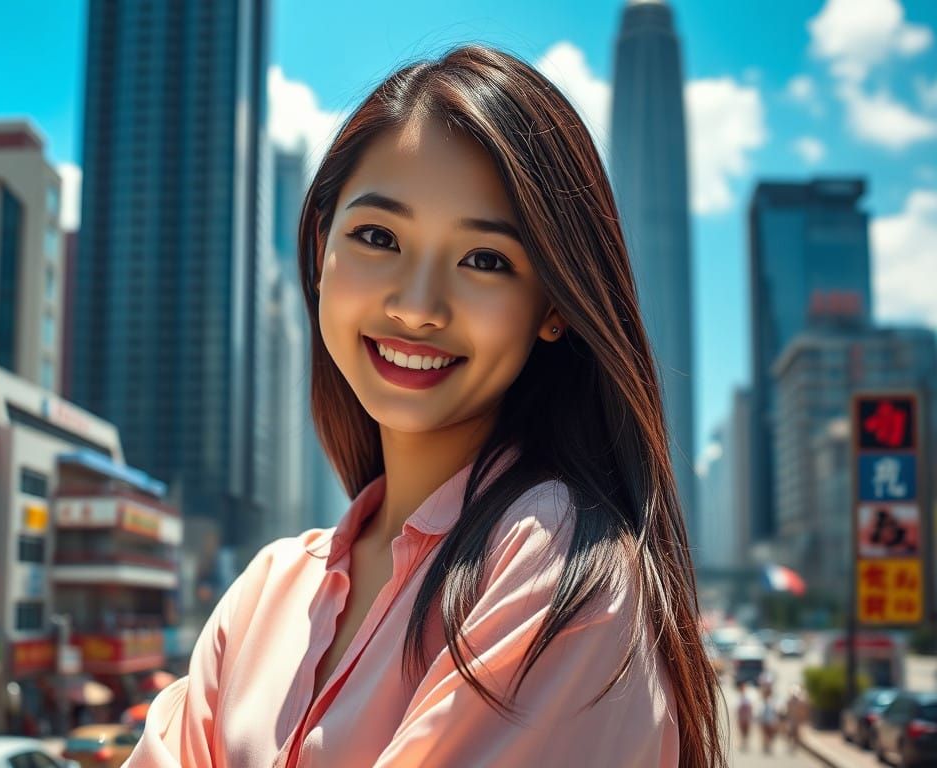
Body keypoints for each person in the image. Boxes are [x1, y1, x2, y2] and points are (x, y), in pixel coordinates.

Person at [124, 43, 722, 767]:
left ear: (554, 305)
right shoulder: (267, 592)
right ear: (321, 249)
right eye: (378, 237)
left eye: (485, 260)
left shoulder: (565, 563)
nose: (416, 307)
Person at [759, 680, 780, 755]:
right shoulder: (763, 699)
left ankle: (768, 745)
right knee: (765, 733)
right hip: (765, 719)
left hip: (771, 720)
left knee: (770, 734)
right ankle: (766, 745)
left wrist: (776, 720)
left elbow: (776, 711)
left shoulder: (773, 700)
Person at [736, 681, 753, 752]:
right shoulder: (739, 697)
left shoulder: (748, 696)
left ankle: (745, 744)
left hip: (745, 717)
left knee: (746, 732)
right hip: (742, 717)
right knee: (742, 732)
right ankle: (743, 744)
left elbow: (750, 708)